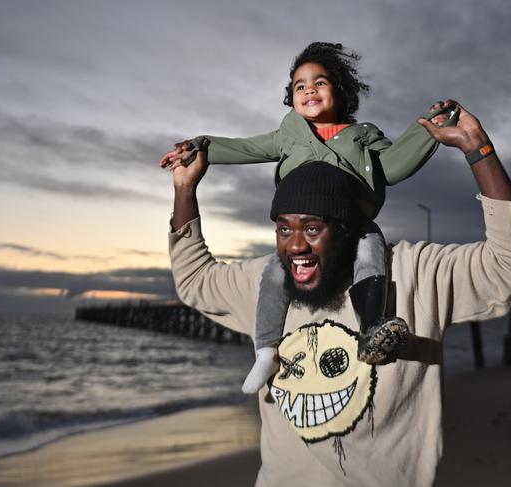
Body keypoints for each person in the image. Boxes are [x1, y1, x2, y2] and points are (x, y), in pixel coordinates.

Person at [164, 102, 511, 486]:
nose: (295, 246)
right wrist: (184, 188)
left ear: (346, 230)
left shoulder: (414, 274)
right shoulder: (265, 281)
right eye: (283, 229)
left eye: (313, 229)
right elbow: (195, 281)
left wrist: (478, 148)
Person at [159, 42, 457, 394]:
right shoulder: (289, 134)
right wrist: (197, 146)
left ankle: (371, 331)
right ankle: (266, 350)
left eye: (320, 82)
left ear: (340, 91)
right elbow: (245, 147)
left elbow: (392, 167)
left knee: (370, 251)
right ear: (291, 97)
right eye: (300, 86)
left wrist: (427, 129)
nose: (309, 90)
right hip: (305, 231)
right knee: (275, 271)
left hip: (351, 225)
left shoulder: (363, 136)